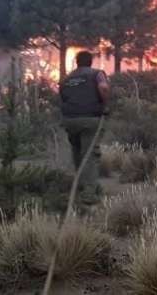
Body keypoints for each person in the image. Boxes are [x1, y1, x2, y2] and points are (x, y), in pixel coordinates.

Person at [59, 50, 111, 205]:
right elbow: (104, 88)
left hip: (70, 120)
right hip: (90, 119)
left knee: (77, 153)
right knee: (90, 155)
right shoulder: (97, 74)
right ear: (90, 62)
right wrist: (106, 105)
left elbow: (62, 97)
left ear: (77, 62)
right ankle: (89, 194)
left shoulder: (66, 79)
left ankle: (83, 186)